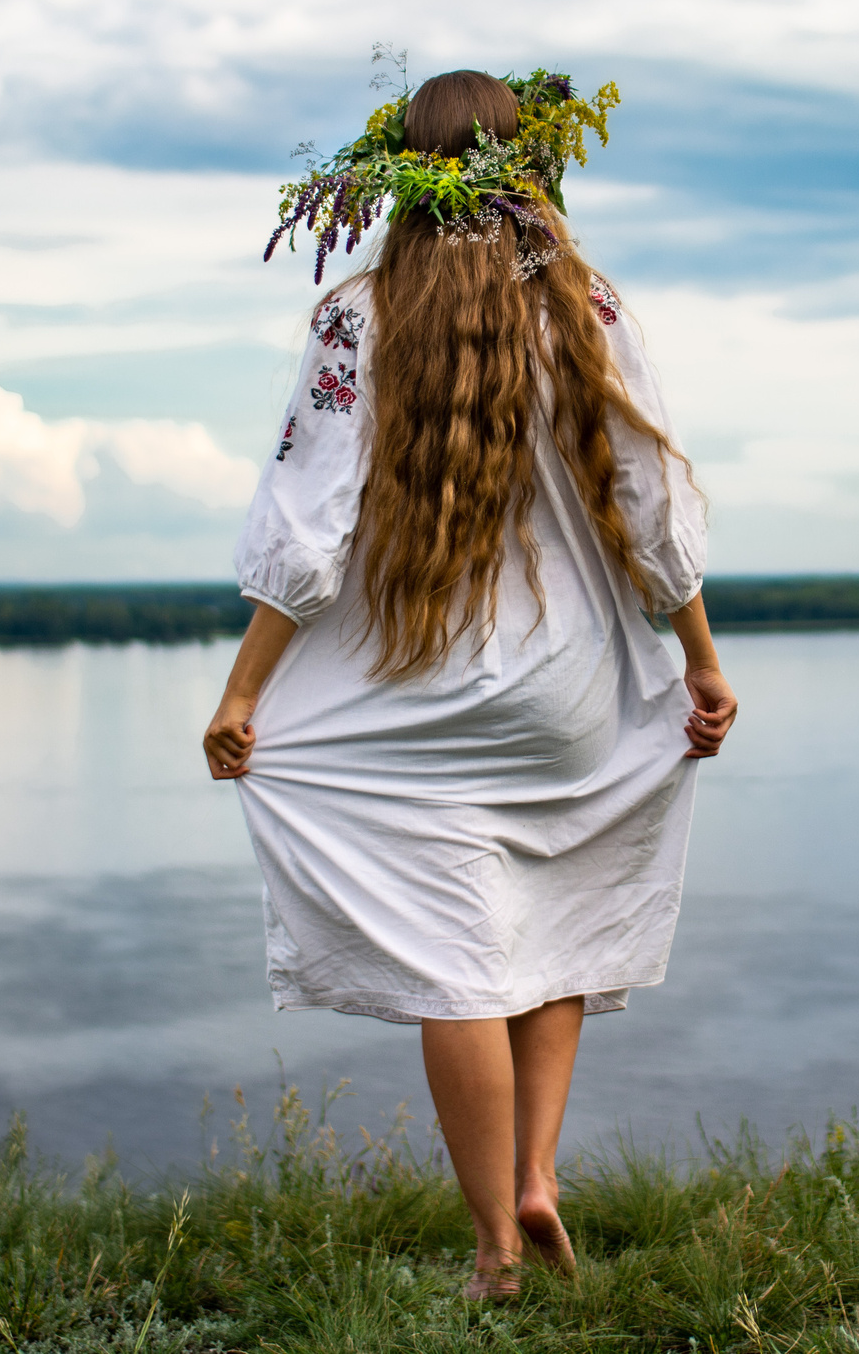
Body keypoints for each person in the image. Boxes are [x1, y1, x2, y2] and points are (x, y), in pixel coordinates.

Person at [202, 66, 737, 1300]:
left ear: (402, 171)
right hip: (562, 693)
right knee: (549, 920)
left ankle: (496, 1245)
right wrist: (700, 660)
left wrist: (242, 697)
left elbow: (306, 523)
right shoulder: (586, 306)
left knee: (456, 961)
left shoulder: (357, 317)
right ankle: (538, 1174)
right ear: (526, 167)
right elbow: (653, 507)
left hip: (410, 696)